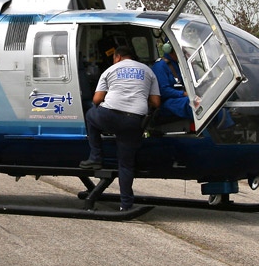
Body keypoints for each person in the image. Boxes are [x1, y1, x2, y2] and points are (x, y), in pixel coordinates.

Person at [79, 45, 160, 211]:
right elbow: (156, 102)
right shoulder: (148, 71)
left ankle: (95, 157)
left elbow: (96, 100)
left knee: (90, 115)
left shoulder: (110, 70)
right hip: (133, 120)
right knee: (125, 165)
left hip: (109, 115)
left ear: (117, 57)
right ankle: (126, 205)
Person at [151, 42, 189, 120]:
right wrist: (183, 93)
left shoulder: (179, 64)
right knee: (192, 103)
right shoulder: (160, 66)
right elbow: (163, 91)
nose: (185, 54)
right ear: (170, 49)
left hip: (178, 99)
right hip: (166, 103)